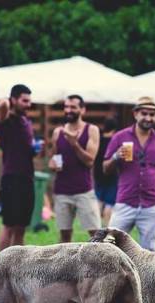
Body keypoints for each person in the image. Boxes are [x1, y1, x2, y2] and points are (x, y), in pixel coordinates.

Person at [102, 96, 155, 251]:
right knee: (110, 246)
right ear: (135, 114)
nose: (148, 118)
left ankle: (144, 277)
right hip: (125, 201)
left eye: (152, 114)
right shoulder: (120, 137)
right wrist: (116, 157)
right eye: (144, 113)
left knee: (149, 252)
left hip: (152, 205)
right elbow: (105, 168)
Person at [48, 95, 101, 242]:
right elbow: (53, 157)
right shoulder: (58, 132)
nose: (68, 110)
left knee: (96, 234)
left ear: (82, 110)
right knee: (64, 237)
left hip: (84, 190)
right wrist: (52, 164)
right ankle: (66, 265)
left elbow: (90, 161)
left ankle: (101, 263)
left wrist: (74, 144)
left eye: (73, 107)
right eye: (66, 107)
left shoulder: (91, 130)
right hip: (62, 192)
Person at [0, 84, 35, 252]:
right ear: (14, 100)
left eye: (29, 101)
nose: (28, 104)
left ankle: (18, 268)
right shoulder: (6, 120)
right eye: (24, 100)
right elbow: (1, 106)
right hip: (11, 178)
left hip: (27, 178)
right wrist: (7, 101)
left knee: (21, 227)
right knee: (9, 225)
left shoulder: (26, 122)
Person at [94, 117, 119, 226]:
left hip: (98, 175)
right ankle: (106, 227)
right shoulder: (114, 142)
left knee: (99, 200)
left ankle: (96, 226)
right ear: (114, 129)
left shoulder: (98, 140)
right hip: (112, 175)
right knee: (110, 203)